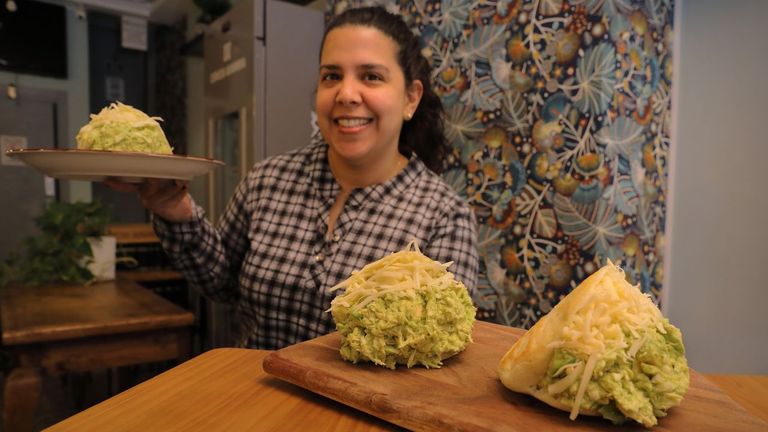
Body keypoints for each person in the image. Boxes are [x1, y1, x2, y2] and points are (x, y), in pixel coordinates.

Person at [107, 6, 479, 349]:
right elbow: (221, 282)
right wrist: (174, 208)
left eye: (371, 76)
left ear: (411, 98)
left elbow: (439, 344)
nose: (346, 94)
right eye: (331, 76)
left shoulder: (444, 217)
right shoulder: (267, 180)